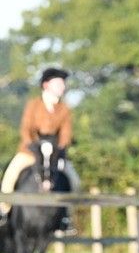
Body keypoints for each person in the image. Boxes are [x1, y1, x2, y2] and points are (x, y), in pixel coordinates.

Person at [0, 67, 82, 234]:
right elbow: (26, 129)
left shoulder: (64, 109)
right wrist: (33, 146)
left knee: (74, 181)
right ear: (46, 85)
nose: (62, 87)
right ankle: (4, 210)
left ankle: (66, 216)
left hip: (54, 154)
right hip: (31, 152)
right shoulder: (34, 105)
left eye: (63, 84)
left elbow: (66, 134)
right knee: (10, 175)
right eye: (58, 83)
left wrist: (59, 149)